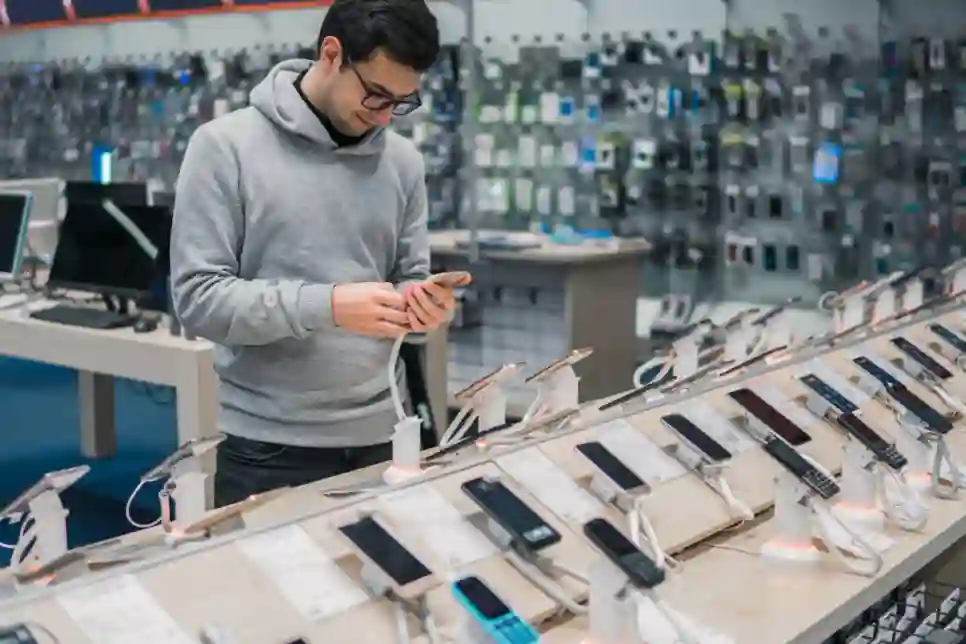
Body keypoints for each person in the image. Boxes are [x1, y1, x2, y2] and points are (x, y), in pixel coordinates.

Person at [170, 0, 453, 507]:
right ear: (331, 53)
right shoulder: (224, 147)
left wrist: (422, 307)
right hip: (269, 447)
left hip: (384, 434)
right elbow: (198, 300)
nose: (385, 116)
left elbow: (408, 276)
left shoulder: (403, 162)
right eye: (376, 95)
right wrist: (330, 306)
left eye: (402, 102)